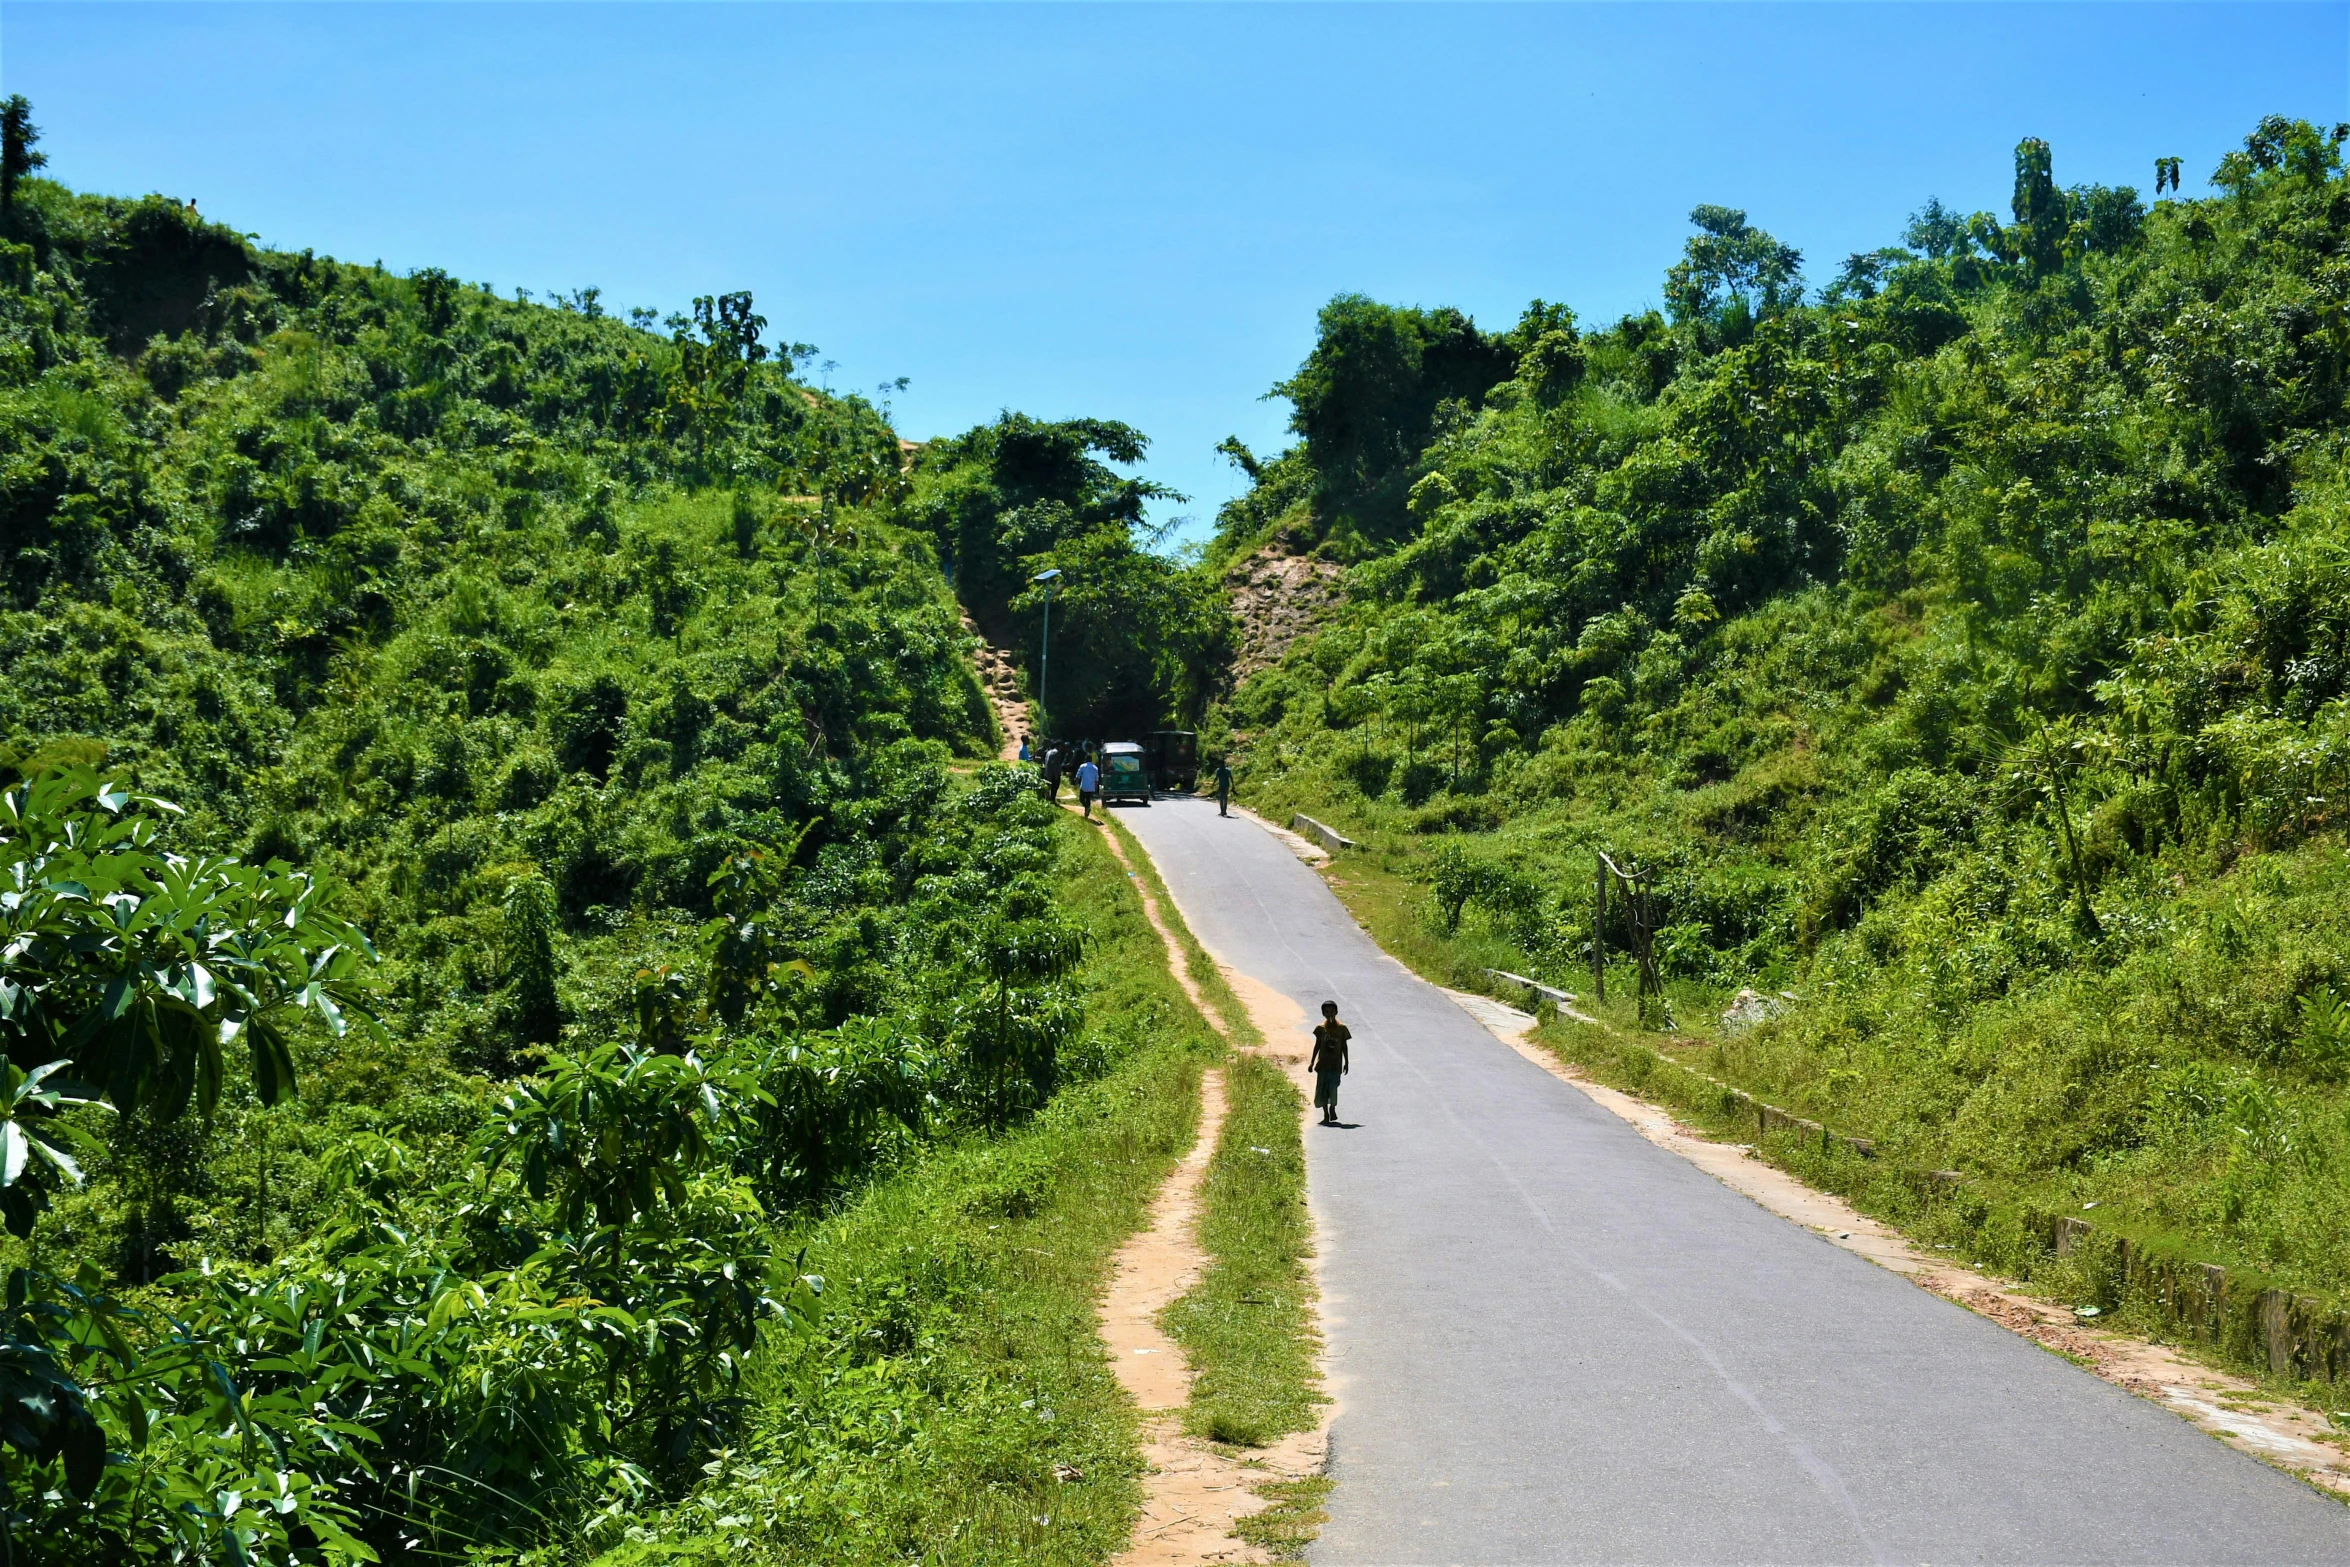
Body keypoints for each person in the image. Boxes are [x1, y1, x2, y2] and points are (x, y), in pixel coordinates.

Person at [1309, 1001, 1350, 1125]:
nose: (1329, 1014)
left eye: (1332, 1011)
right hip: (1323, 1065)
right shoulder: (1320, 1029)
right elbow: (1316, 1046)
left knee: (1333, 1087)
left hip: (1336, 1064)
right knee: (1322, 1089)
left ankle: (1332, 1107)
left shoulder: (1342, 1029)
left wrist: (1347, 1062)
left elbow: (1344, 1046)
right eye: (1327, 1012)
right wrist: (1311, 1062)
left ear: (1336, 1012)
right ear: (1323, 1013)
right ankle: (1326, 1114)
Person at [1075, 754, 1099, 819]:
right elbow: (1096, 779)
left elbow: (1078, 775)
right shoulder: (1095, 768)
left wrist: (1076, 782)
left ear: (1085, 759)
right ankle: (1086, 813)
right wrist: (1096, 788)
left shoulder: (1082, 766)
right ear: (1091, 760)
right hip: (1091, 787)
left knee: (1081, 799)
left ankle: (1086, 808)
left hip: (1084, 786)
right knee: (1088, 799)